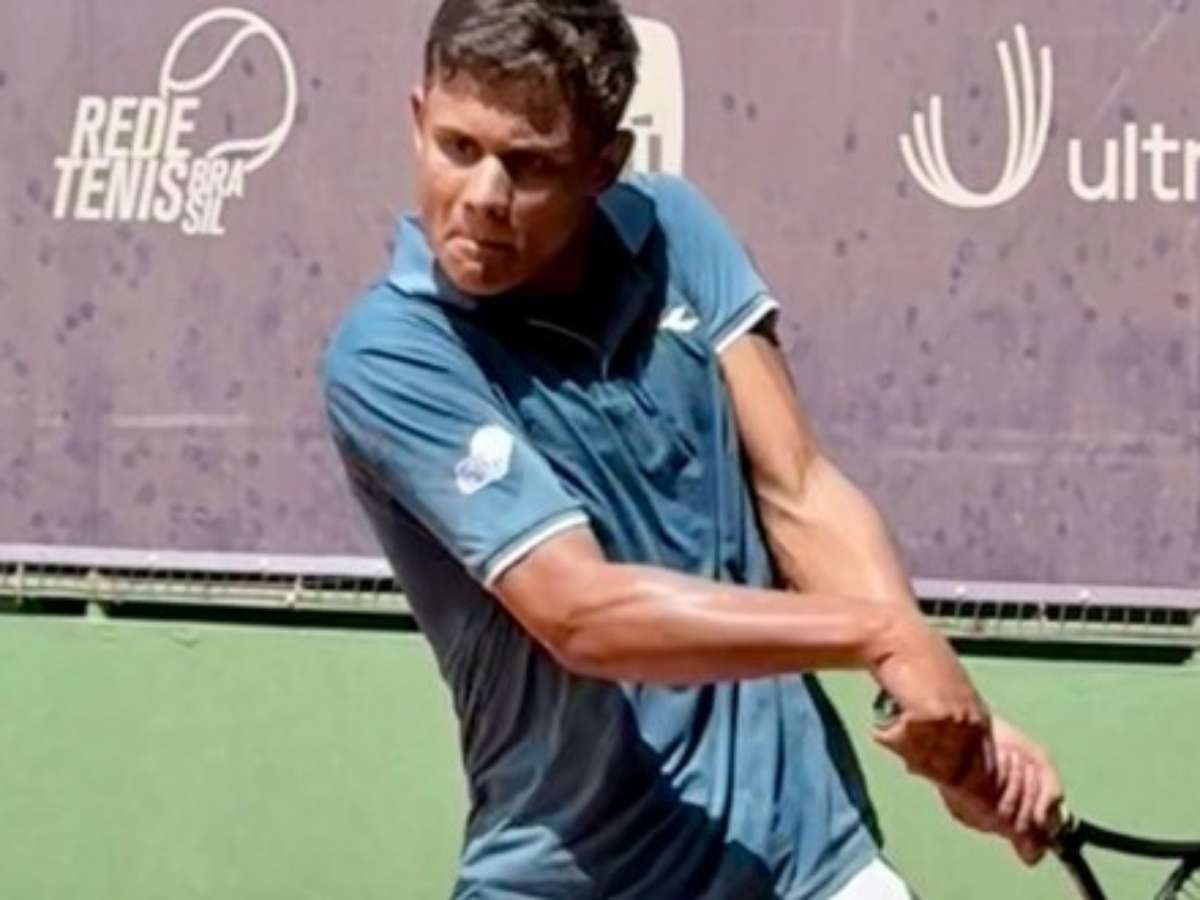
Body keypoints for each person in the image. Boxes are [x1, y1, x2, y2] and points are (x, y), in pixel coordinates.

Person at [322, 1, 1062, 896]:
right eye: (457, 147)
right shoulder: (392, 355)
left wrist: (944, 715)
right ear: (418, 118)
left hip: (808, 860)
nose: (483, 196)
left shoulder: (674, 229)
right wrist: (882, 635)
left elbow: (799, 490)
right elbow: (581, 615)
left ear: (604, 164)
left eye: (529, 164)